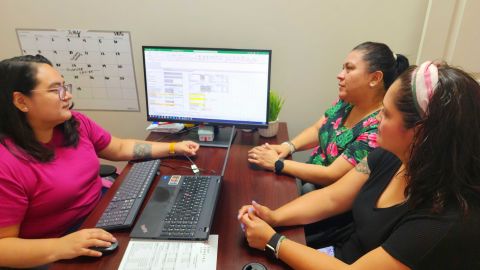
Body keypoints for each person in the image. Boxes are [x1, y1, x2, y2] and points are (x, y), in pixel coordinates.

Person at [238, 62, 480, 269]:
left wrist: (273, 241)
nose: (376, 120)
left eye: (385, 114)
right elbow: (332, 197)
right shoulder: (393, 155)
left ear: (418, 134)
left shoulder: (444, 221)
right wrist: (274, 217)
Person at [0, 55, 200, 268]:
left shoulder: (74, 123)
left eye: (65, 86)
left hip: (102, 213)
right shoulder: (6, 163)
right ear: (21, 101)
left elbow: (120, 147)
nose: (67, 95)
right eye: (55, 89)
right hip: (56, 246)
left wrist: (172, 148)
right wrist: (60, 246)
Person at [249, 42, 409, 194]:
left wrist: (278, 164)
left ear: (375, 78)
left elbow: (331, 174)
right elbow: (319, 128)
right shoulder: (347, 101)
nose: (339, 75)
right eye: (342, 69)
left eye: (349, 69)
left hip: (325, 199)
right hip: (307, 182)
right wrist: (288, 146)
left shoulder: (377, 127)